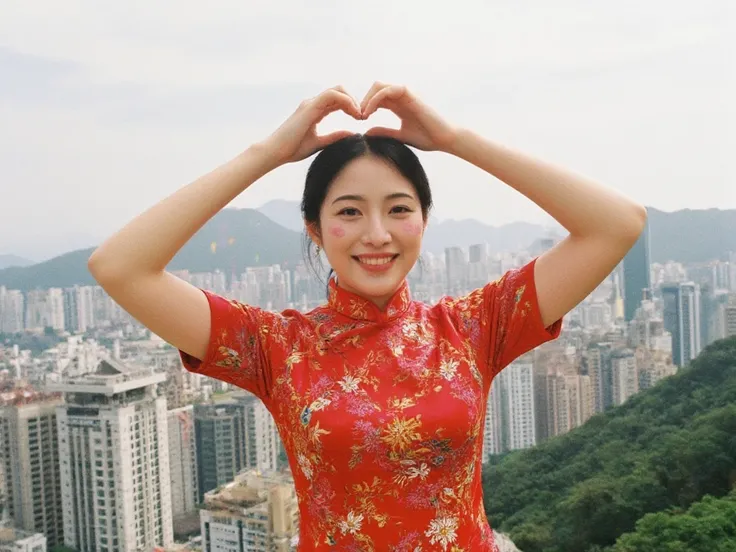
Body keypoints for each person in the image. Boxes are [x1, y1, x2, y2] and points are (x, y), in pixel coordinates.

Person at [88, 82, 647, 551]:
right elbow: (120, 266)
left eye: (399, 209)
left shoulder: (473, 327)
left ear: (424, 220)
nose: (376, 234)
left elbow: (617, 222)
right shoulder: (276, 346)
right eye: (349, 212)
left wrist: (455, 140)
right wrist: (267, 153)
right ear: (313, 226)